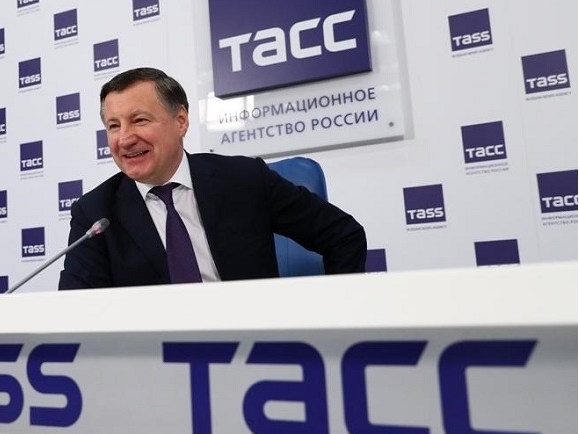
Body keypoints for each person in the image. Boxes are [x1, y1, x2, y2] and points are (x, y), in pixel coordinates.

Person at [58, 67, 367, 289]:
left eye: (139, 120)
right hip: (159, 356)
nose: (124, 139)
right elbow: (77, 308)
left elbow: (344, 236)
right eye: (113, 126)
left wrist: (333, 318)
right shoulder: (95, 213)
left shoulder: (244, 180)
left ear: (180, 121)